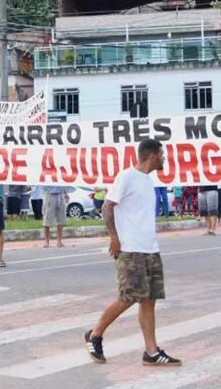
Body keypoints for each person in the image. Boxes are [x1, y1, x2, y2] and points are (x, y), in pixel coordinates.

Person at [85, 139, 181, 368]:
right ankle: (94, 335)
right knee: (128, 297)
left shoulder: (147, 181)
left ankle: (151, 352)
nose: (164, 158)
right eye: (162, 154)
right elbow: (107, 206)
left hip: (150, 249)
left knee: (149, 300)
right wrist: (115, 238)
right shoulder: (126, 176)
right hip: (131, 249)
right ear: (153, 156)